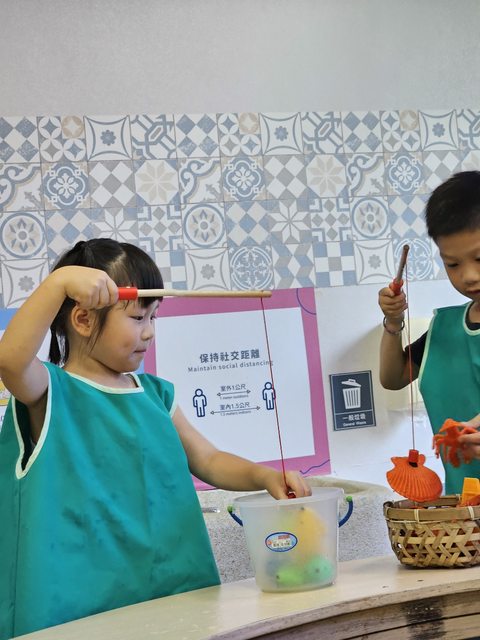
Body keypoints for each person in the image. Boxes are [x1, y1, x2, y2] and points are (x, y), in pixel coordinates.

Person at [0, 238, 311, 639]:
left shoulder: (156, 394)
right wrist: (58, 283)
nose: (149, 332)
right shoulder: (51, 391)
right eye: (137, 317)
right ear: (83, 320)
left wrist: (263, 476)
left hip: (172, 596)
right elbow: (10, 360)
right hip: (79, 612)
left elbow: (208, 459)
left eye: (154, 317)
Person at [378, 170, 480, 495]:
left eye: (479, 258)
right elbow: (393, 378)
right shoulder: (445, 328)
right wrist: (393, 322)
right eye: (453, 264)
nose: (469, 276)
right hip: (463, 509)